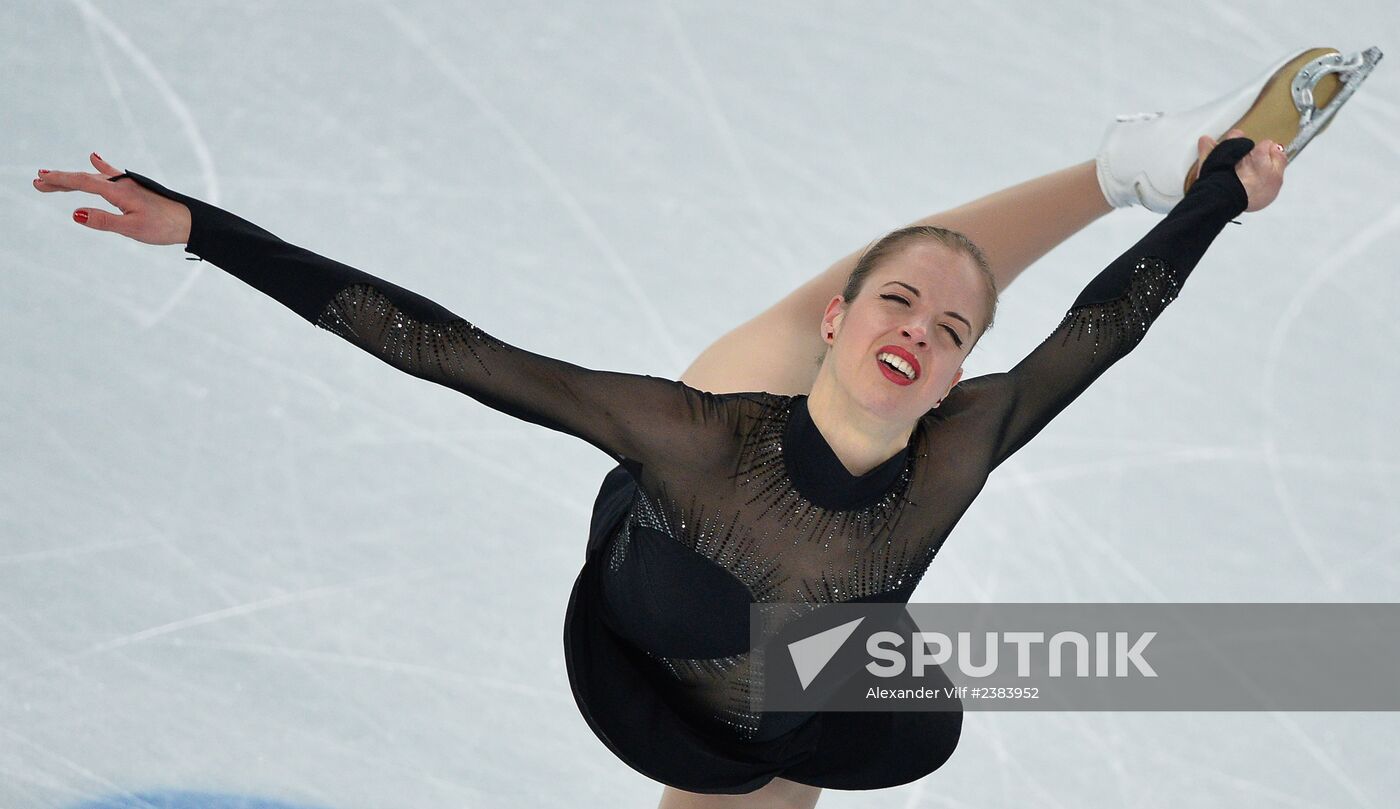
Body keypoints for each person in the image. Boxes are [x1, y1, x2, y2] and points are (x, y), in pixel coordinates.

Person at [33, 46, 1375, 809]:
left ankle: (1134, 179)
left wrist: (1220, 204)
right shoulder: (695, 426)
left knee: (791, 718)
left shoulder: (956, 441)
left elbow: (1110, 322)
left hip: (767, 673)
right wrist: (205, 231)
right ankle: (1113, 165)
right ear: (858, 316)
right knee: (844, 330)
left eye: (948, 331)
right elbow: (433, 343)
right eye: (894, 307)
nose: (923, 327)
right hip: (672, 557)